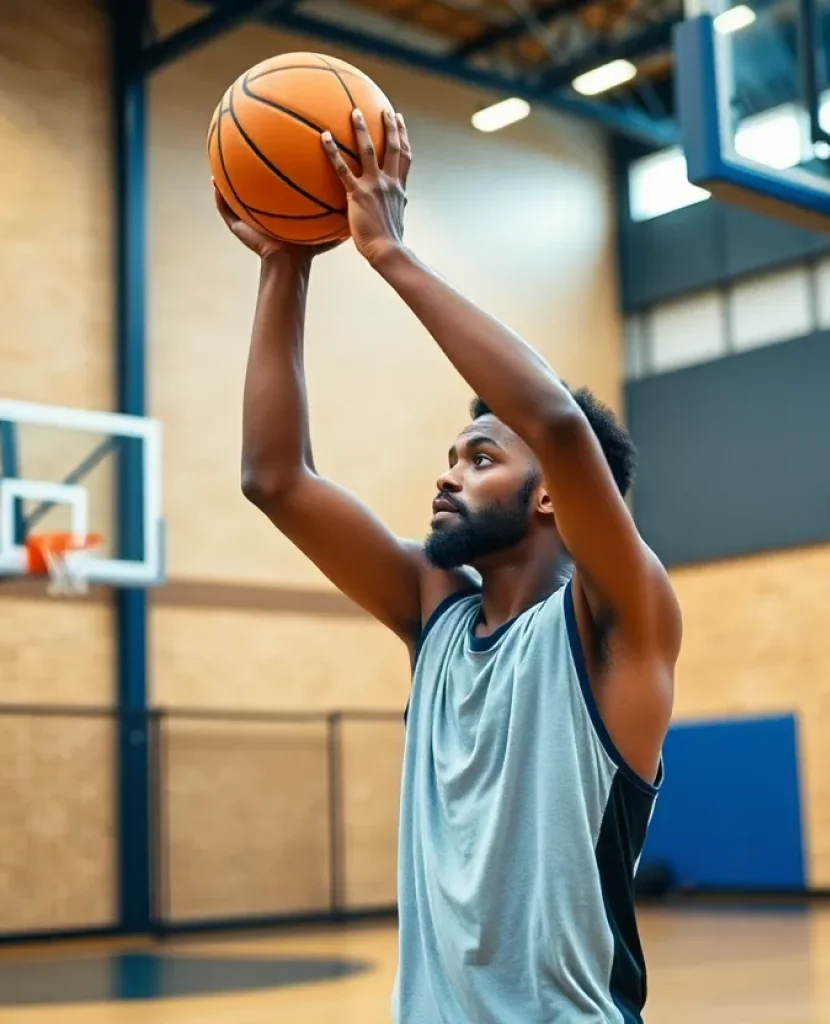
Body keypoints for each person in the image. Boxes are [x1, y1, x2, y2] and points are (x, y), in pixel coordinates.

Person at [215, 107, 682, 1024]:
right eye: (455, 454)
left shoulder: (617, 623)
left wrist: (391, 254)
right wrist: (287, 261)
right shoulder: (435, 612)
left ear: (553, 494)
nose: (448, 471)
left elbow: (552, 420)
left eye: (479, 456)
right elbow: (273, 479)